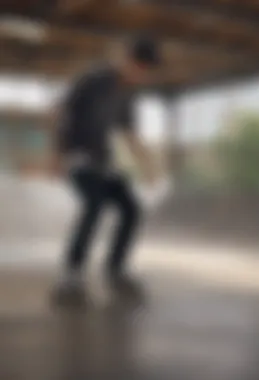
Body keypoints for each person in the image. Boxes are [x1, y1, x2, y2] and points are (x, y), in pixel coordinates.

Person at [49, 38, 161, 303]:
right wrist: (55, 155)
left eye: (145, 69)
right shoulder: (94, 78)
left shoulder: (128, 94)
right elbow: (59, 111)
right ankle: (72, 274)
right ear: (126, 59)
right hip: (79, 158)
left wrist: (148, 166)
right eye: (138, 65)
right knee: (95, 205)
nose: (140, 73)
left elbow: (130, 133)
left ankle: (115, 269)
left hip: (105, 162)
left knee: (132, 210)